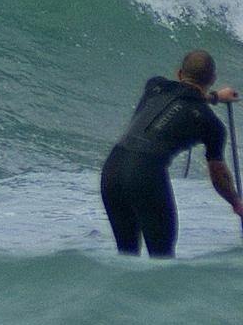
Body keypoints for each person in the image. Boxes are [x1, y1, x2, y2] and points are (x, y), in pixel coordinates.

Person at [100, 50, 243, 257]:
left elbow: (184, 94)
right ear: (213, 79)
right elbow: (218, 176)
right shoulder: (210, 123)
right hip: (145, 174)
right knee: (161, 259)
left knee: (126, 255)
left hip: (112, 169)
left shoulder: (155, 86)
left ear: (179, 73)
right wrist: (236, 203)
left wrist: (214, 97)